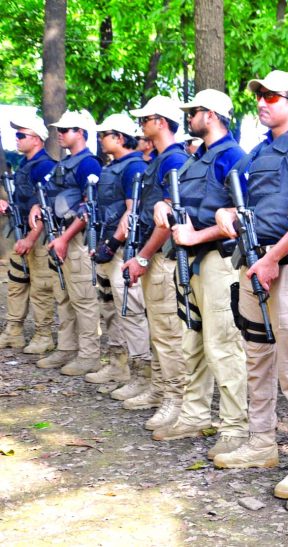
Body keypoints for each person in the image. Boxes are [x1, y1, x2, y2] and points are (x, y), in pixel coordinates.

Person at [210, 73, 288, 499]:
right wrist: (226, 215)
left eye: (271, 96)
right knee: (256, 356)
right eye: (258, 95)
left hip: (285, 267)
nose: (261, 101)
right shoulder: (257, 151)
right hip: (253, 263)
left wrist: (275, 257)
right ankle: (262, 443)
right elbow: (239, 200)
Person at [150, 89, 249, 459]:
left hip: (218, 262)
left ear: (211, 115)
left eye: (194, 111)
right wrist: (163, 205)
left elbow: (240, 218)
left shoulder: (234, 157)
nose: (189, 117)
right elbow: (180, 202)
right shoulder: (196, 159)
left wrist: (196, 235)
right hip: (189, 261)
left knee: (223, 347)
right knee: (191, 343)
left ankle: (235, 428)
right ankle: (193, 415)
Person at [117, 96, 188, 421]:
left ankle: (176, 398)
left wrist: (143, 257)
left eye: (146, 119)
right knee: (159, 331)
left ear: (161, 122)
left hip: (162, 258)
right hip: (151, 256)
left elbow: (168, 217)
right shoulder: (159, 159)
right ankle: (160, 390)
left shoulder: (172, 160)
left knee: (168, 333)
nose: (141, 125)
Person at [83, 113, 152, 393]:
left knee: (131, 312)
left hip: (121, 249)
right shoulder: (114, 166)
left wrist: (112, 243)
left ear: (120, 138)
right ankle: (118, 365)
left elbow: (131, 209)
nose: (100, 140)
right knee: (110, 309)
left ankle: (142, 376)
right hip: (105, 247)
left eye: (105, 134)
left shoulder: (132, 167)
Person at [32, 110, 102, 377]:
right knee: (63, 296)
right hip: (59, 236)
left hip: (76, 240)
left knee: (83, 299)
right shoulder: (65, 163)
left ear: (81, 133)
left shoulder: (88, 164)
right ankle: (66, 347)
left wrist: (63, 238)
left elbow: (88, 208)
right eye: (59, 130)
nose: (60, 134)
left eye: (66, 130)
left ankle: (89, 355)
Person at [0, 113, 57, 355]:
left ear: (36, 139)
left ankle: (43, 335)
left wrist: (31, 239)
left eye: (21, 135)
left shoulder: (45, 166)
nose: (17, 139)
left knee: (41, 288)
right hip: (21, 231)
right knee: (16, 283)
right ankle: (13, 331)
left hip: (38, 237)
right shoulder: (25, 164)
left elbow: (45, 208)